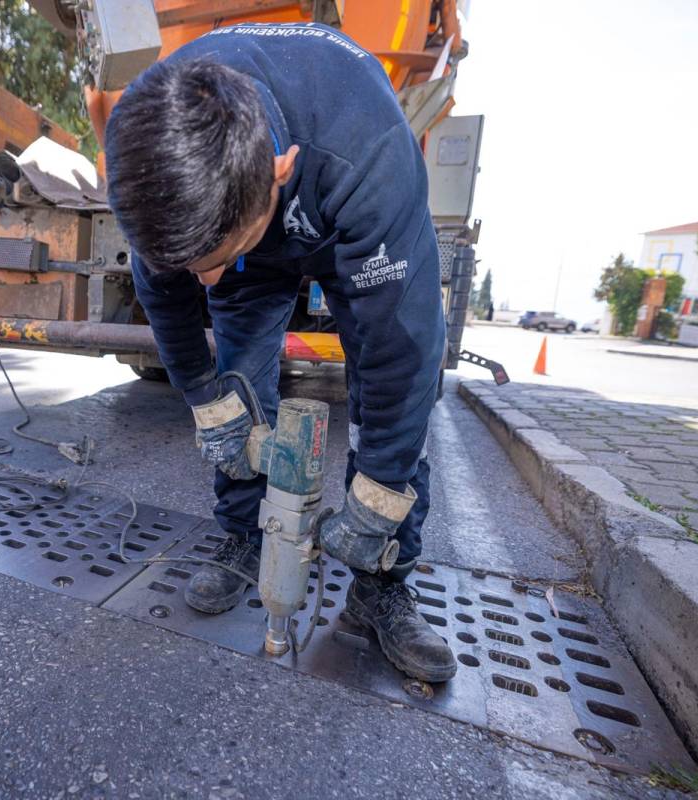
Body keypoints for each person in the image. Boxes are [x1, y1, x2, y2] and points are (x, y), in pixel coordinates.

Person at [104, 22, 454, 682]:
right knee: (240, 385)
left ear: (277, 172)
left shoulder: (368, 156)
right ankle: (242, 533)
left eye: (216, 259)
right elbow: (171, 304)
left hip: (335, 206)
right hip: (249, 227)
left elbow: (399, 358)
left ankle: (383, 584)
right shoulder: (150, 148)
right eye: (192, 265)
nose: (204, 283)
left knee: (393, 412)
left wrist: (377, 496)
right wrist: (208, 402)